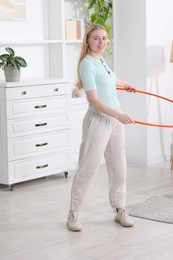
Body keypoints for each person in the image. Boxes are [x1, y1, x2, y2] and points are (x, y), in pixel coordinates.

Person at [67, 24, 136, 232]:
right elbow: (94, 100)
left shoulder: (102, 61)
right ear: (88, 41)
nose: (101, 42)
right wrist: (119, 116)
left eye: (104, 38)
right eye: (96, 38)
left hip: (115, 120)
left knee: (119, 167)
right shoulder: (87, 64)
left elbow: (110, 80)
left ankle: (120, 209)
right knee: (88, 167)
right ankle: (74, 213)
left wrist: (125, 84)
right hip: (98, 120)